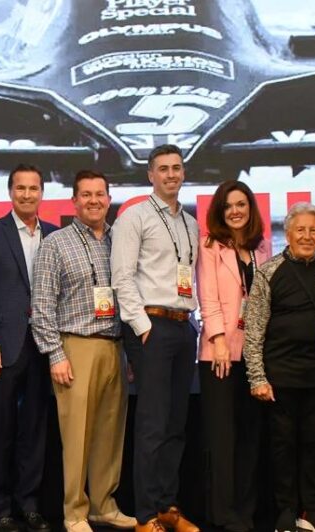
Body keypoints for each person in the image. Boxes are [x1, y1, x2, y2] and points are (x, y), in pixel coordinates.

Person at [31, 170, 135, 532]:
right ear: (74, 201)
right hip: (75, 346)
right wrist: (55, 354)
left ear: (109, 199)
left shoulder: (120, 242)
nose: (94, 201)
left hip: (114, 346)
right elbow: (42, 305)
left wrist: (131, 352)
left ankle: (104, 505)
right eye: (86, 195)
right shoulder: (55, 243)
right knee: (76, 436)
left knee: (110, 432)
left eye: (100, 194)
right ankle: (74, 512)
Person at [111, 144, 200, 532]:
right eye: (162, 169)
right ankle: (146, 514)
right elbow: (122, 278)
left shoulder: (191, 223)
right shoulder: (135, 217)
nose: (170, 175)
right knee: (152, 425)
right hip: (151, 326)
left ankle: (167, 506)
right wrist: (142, 327)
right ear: (150, 175)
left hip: (183, 326)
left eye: (176, 168)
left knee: (176, 424)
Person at [0, 164, 57, 532]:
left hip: (43, 346)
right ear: (10, 192)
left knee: (35, 432)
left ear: (41, 193)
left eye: (33, 188)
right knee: (0, 431)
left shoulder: (54, 234)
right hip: (2, 348)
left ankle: (29, 504)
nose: (27, 195)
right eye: (20, 188)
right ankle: (0, 508)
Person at [243, 202, 315, 532]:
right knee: (282, 447)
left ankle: (312, 509)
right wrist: (257, 376)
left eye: (314, 230)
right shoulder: (269, 271)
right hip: (279, 377)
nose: (307, 236)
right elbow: (253, 329)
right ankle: (286, 510)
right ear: (288, 232)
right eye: (301, 230)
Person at [195, 180, 271, 532]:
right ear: (220, 211)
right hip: (219, 354)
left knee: (249, 437)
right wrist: (220, 340)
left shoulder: (261, 250)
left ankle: (245, 511)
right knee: (222, 439)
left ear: (251, 209)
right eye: (228, 206)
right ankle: (222, 513)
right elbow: (208, 297)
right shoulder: (210, 246)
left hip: (254, 356)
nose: (235, 211)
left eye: (241, 204)